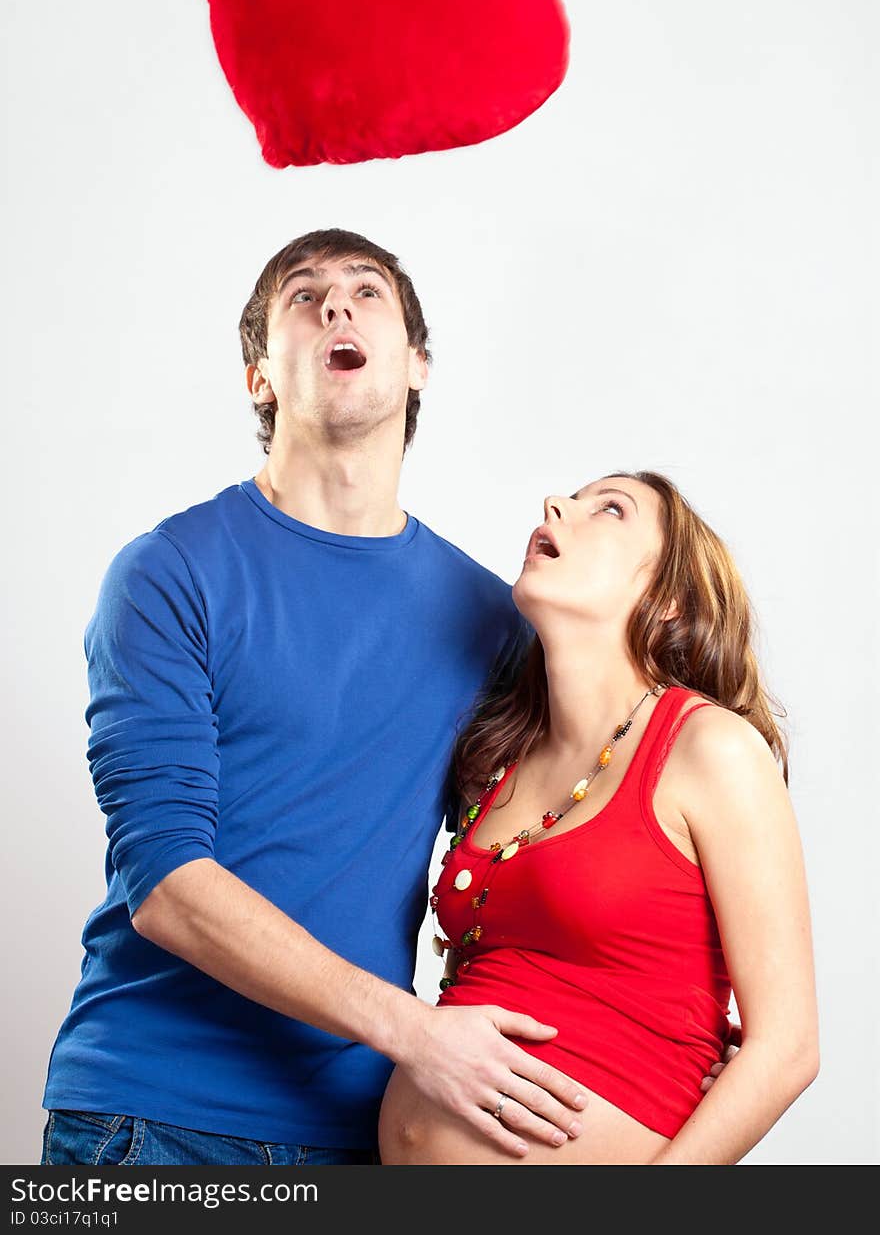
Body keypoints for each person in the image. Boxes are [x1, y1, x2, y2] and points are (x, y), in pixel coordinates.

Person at [40, 231, 733, 1167]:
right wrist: (413, 1031)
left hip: (368, 1131)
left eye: (367, 291)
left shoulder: (492, 619)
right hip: (153, 1118)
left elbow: (546, 840)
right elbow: (165, 884)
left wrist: (661, 1016)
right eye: (304, 295)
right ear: (259, 378)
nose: (337, 306)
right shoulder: (169, 575)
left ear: (417, 366)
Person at [378, 471, 819, 1164]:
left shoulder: (710, 749)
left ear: (669, 600)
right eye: (569, 498)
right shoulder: (495, 764)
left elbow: (787, 1048)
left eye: (610, 509)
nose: (557, 505)